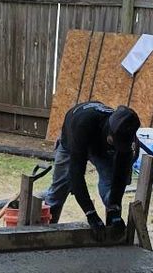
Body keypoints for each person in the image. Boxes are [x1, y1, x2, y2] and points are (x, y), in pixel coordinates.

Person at [44, 101, 141, 241]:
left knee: (111, 185)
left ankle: (111, 229)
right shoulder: (83, 126)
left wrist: (114, 209)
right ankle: (47, 232)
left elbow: (119, 177)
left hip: (102, 148)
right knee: (59, 190)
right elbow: (76, 175)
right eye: (115, 143)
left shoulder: (127, 138)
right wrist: (90, 213)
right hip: (73, 142)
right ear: (109, 132)